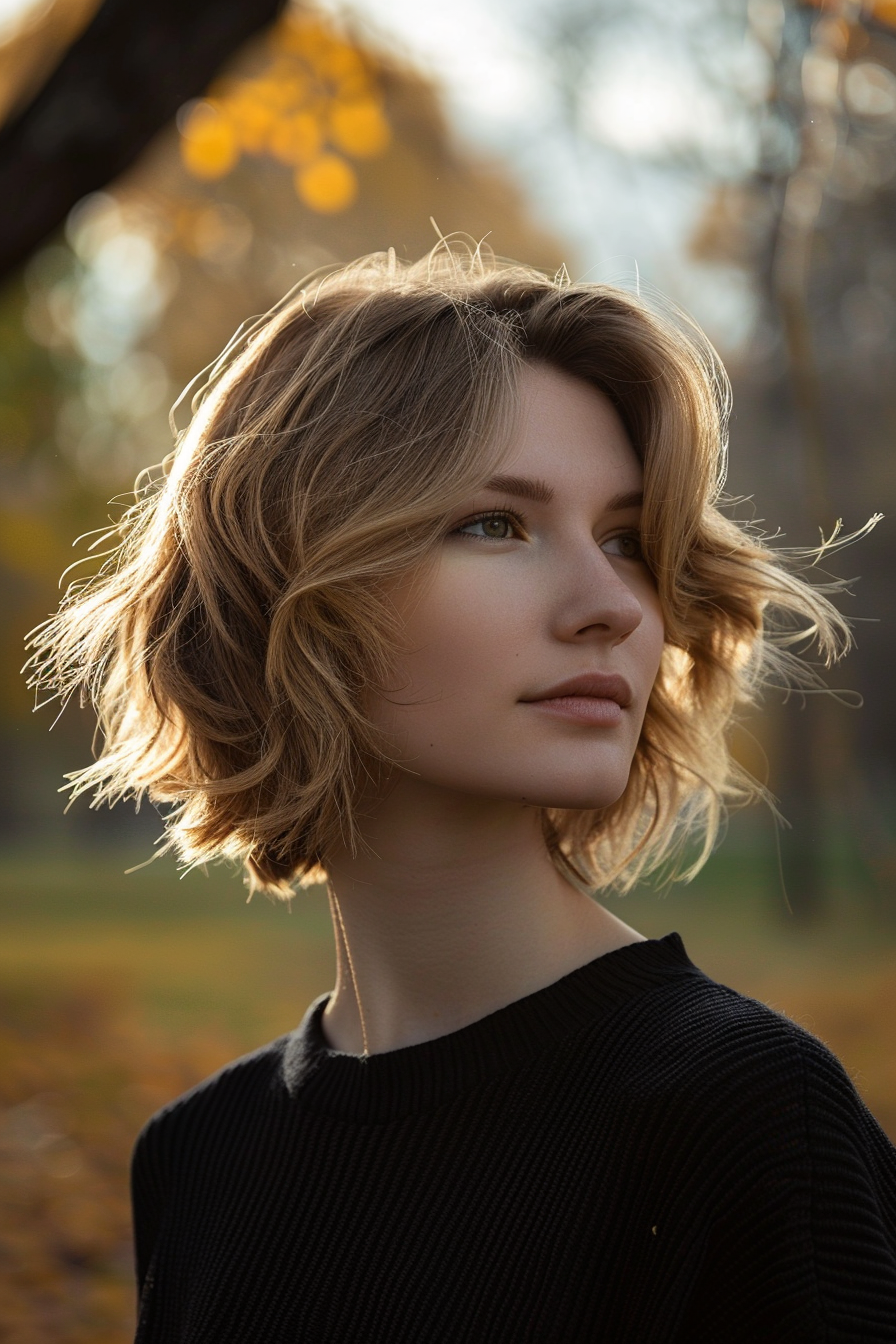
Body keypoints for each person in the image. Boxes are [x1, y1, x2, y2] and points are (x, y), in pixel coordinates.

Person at [28, 243, 896, 1341]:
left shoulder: (742, 1115)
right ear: (285, 576)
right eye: (495, 523)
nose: (611, 607)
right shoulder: (197, 1158)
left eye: (627, 540)